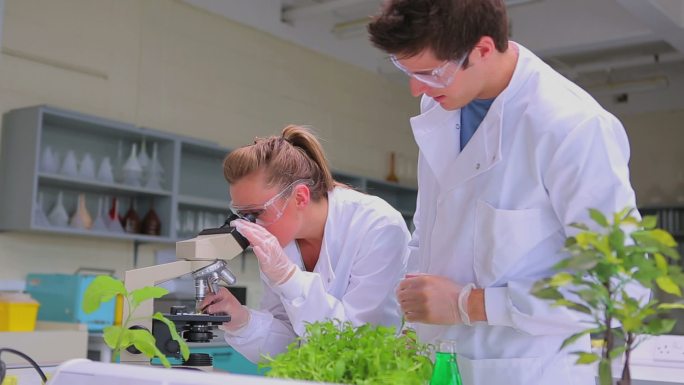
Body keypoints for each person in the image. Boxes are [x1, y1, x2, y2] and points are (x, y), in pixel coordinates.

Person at [368, 1, 644, 384]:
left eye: (430, 72)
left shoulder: (573, 127)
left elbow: (621, 287)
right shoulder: (442, 104)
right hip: (436, 364)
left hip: (528, 370)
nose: (417, 88)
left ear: (482, 49)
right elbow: (429, 236)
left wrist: (470, 304)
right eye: (406, 70)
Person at [200, 125, 410, 363]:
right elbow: (291, 344)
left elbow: (359, 344)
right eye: (242, 215)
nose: (250, 226)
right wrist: (241, 320)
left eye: (256, 213)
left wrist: (288, 277)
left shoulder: (377, 225)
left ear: (300, 197)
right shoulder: (281, 239)